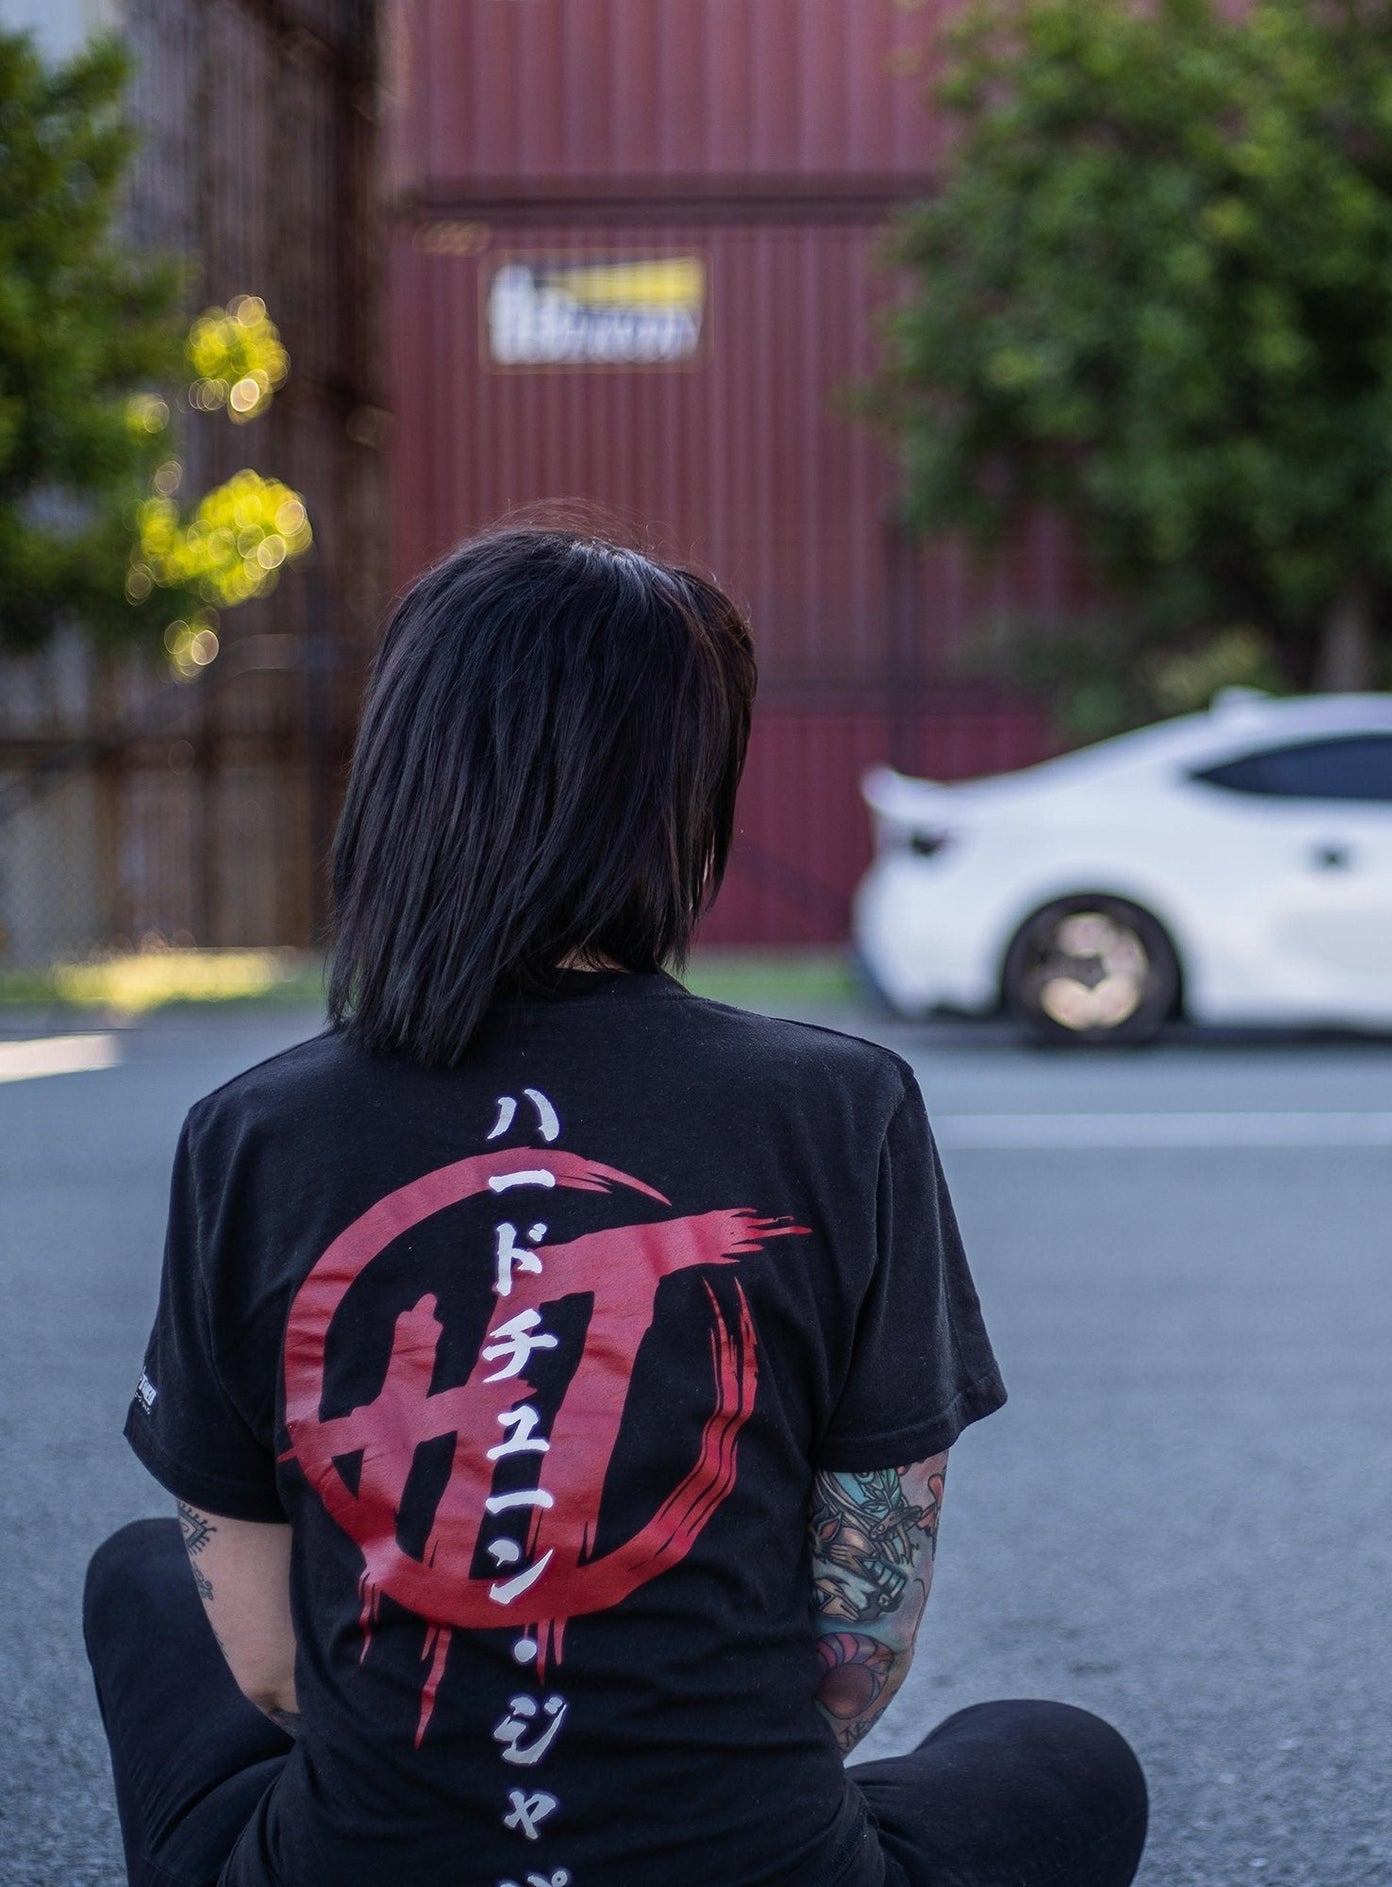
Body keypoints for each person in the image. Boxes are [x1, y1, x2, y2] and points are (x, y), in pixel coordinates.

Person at [85, 528, 1147, 1887]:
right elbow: (855, 1657)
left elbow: (272, 1672)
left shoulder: (253, 1133)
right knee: (1058, 1757)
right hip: (749, 1865)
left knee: (143, 1576)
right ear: (676, 802)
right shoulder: (839, 1106)